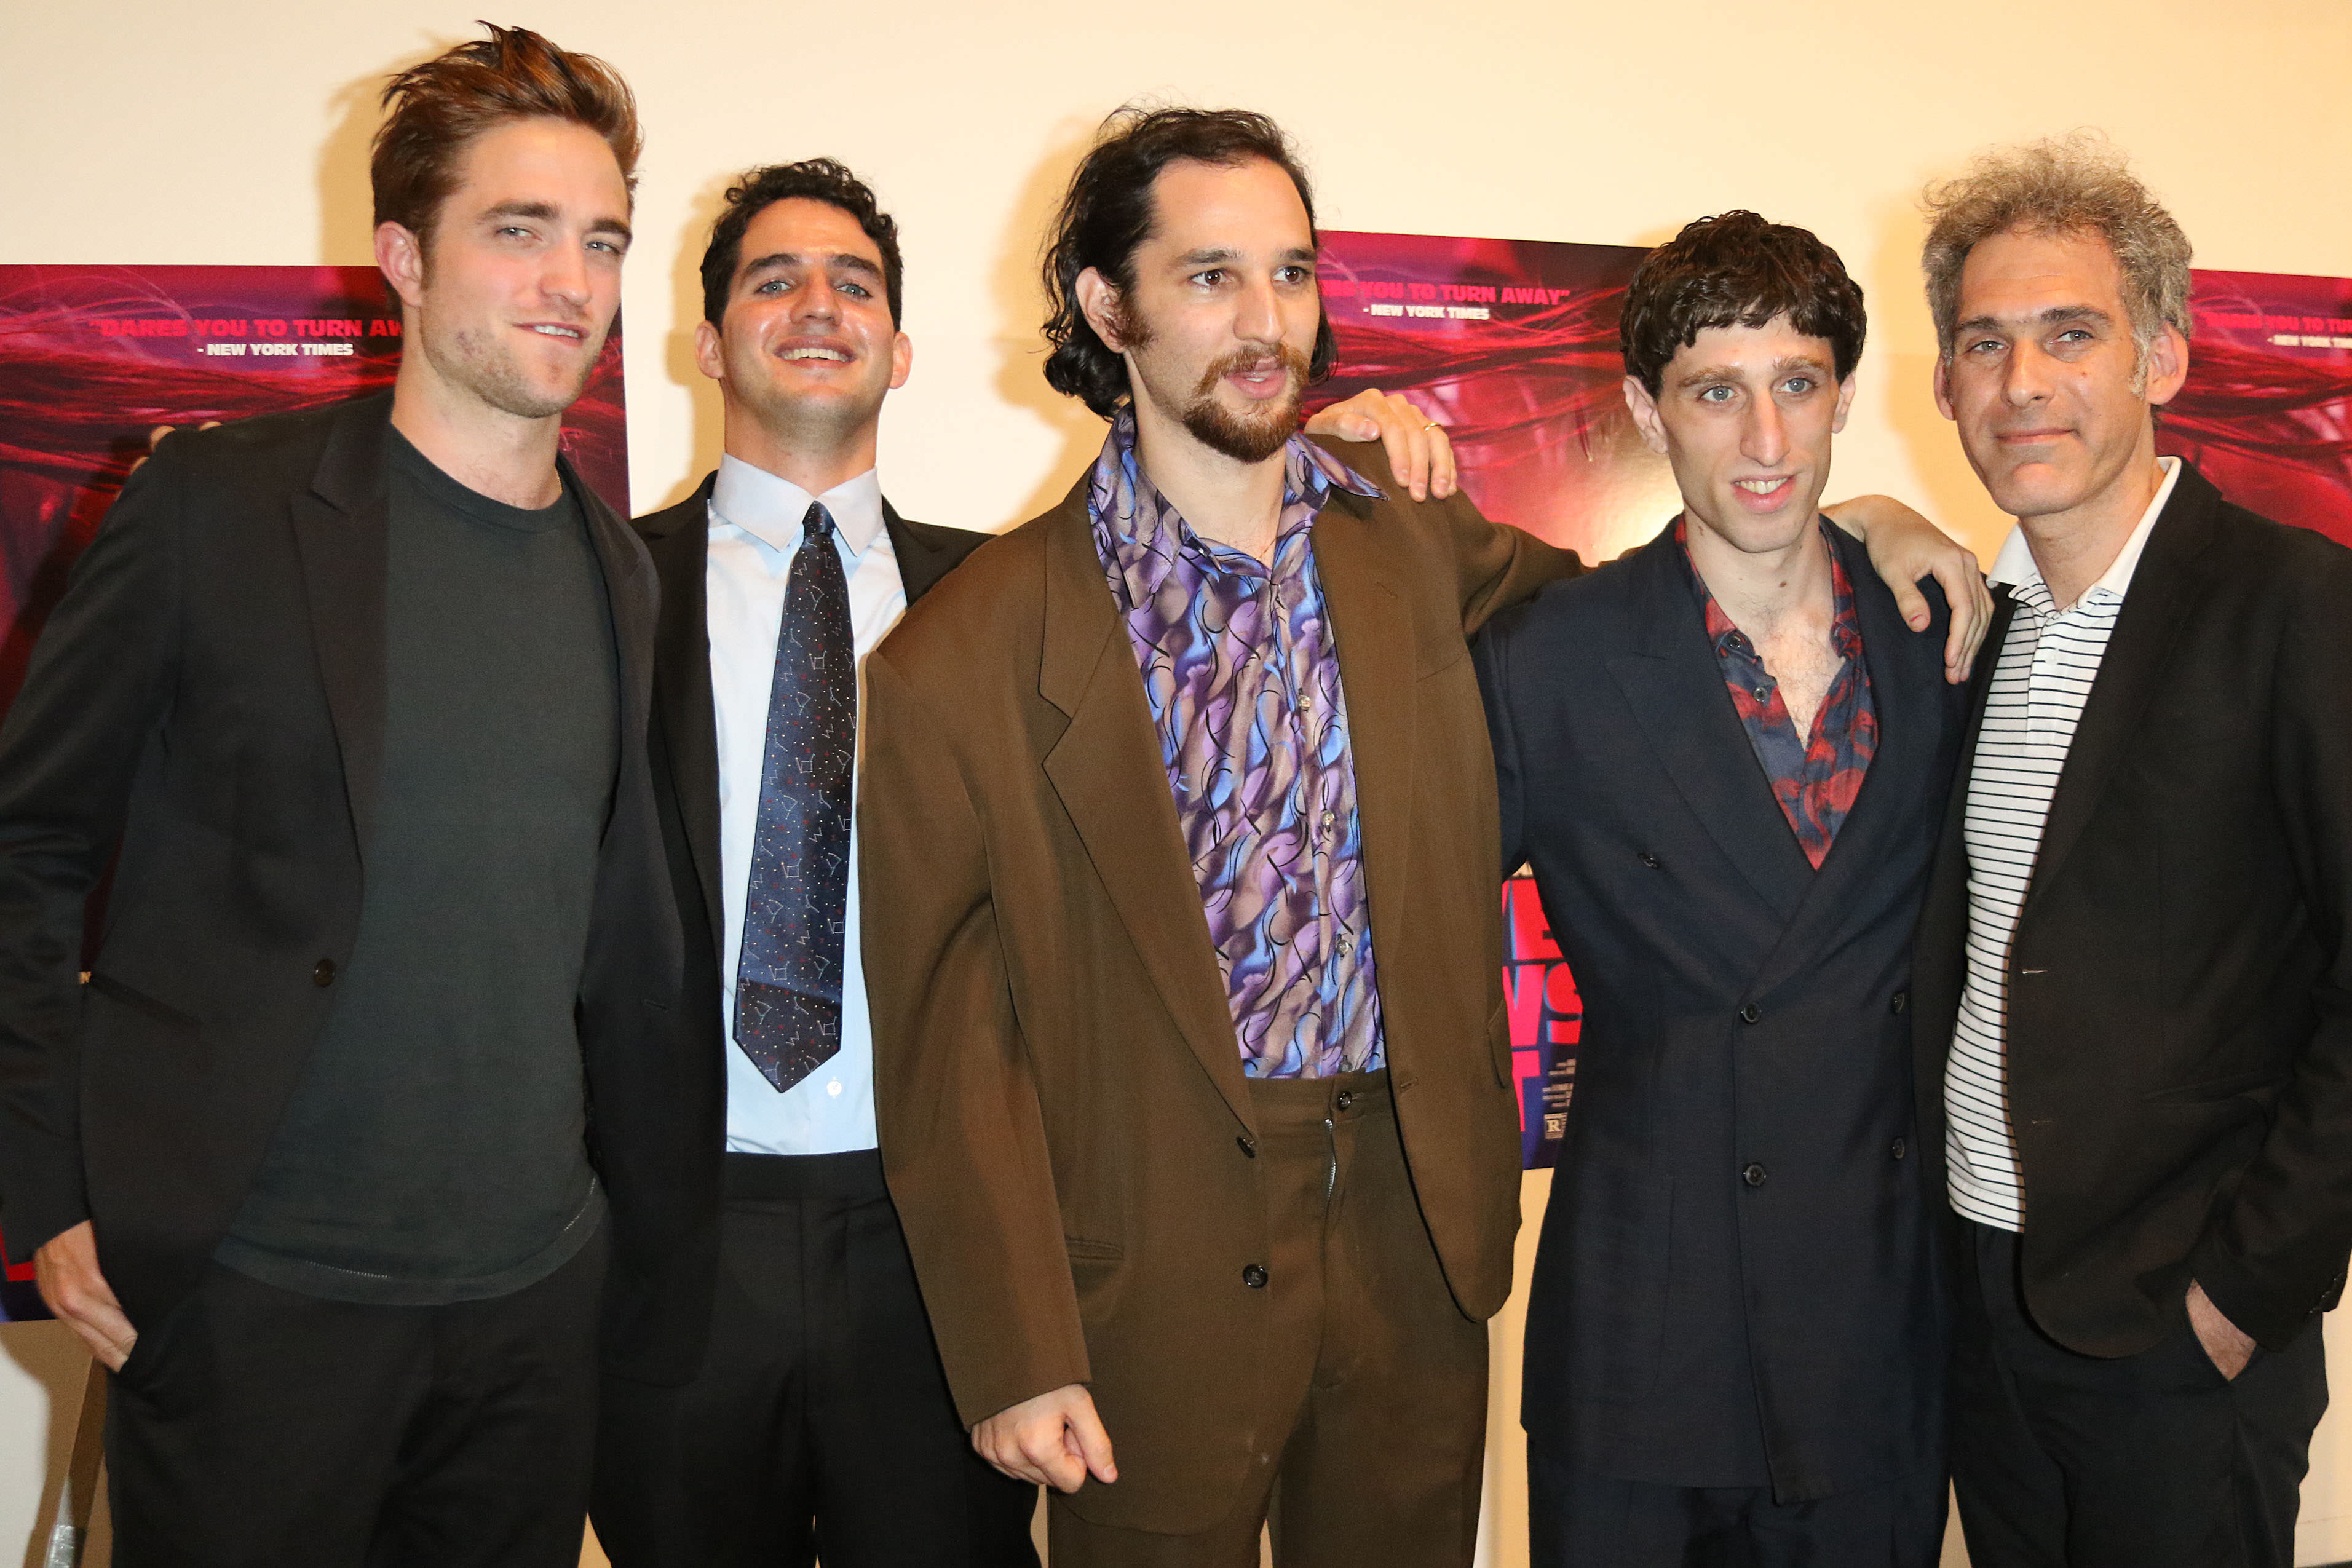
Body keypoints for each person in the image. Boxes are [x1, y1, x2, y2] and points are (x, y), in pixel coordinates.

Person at [858, 106, 1985, 1567]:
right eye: (1208, 277)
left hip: (1411, 1240)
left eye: (1289, 272)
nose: (1264, 320)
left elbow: (1661, 620)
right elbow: (948, 1043)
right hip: (1144, 1268)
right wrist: (1014, 1350)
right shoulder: (962, 655)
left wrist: (1870, 522)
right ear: (1105, 305)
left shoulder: (1409, 536)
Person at [588, 156, 1468, 1568]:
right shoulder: (602, 594)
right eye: (773, 280)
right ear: (705, 342)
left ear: (902, 346)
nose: (817, 306)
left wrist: (1343, 439)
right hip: (687, 1243)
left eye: (854, 284)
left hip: (944, 1243)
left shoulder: (1007, 594)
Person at [0, 26, 698, 1566]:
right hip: (249, 1301)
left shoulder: (620, 573)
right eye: (517, 231)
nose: (570, 283)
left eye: (600, 240)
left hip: (530, 1317)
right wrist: (47, 1186)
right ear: (403, 257)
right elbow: (27, 848)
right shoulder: (215, 507)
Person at [1476, 212, 1970, 1566]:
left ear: (1842, 396)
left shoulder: (1942, 636)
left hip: (1875, 1323)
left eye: (1795, 383)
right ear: (1647, 411)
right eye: (1713, 393)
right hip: (1643, 1328)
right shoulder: (1550, 660)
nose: (1764, 438)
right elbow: (1402, 930)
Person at [1907, 136, 2352, 1568]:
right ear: (1943, 385)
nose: (2020, 382)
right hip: (1976, 1299)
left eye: (2068, 334)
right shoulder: (1963, 633)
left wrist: (2245, 1290)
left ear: (2160, 355)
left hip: (2177, 1327)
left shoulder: (2294, 607)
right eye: (1983, 343)